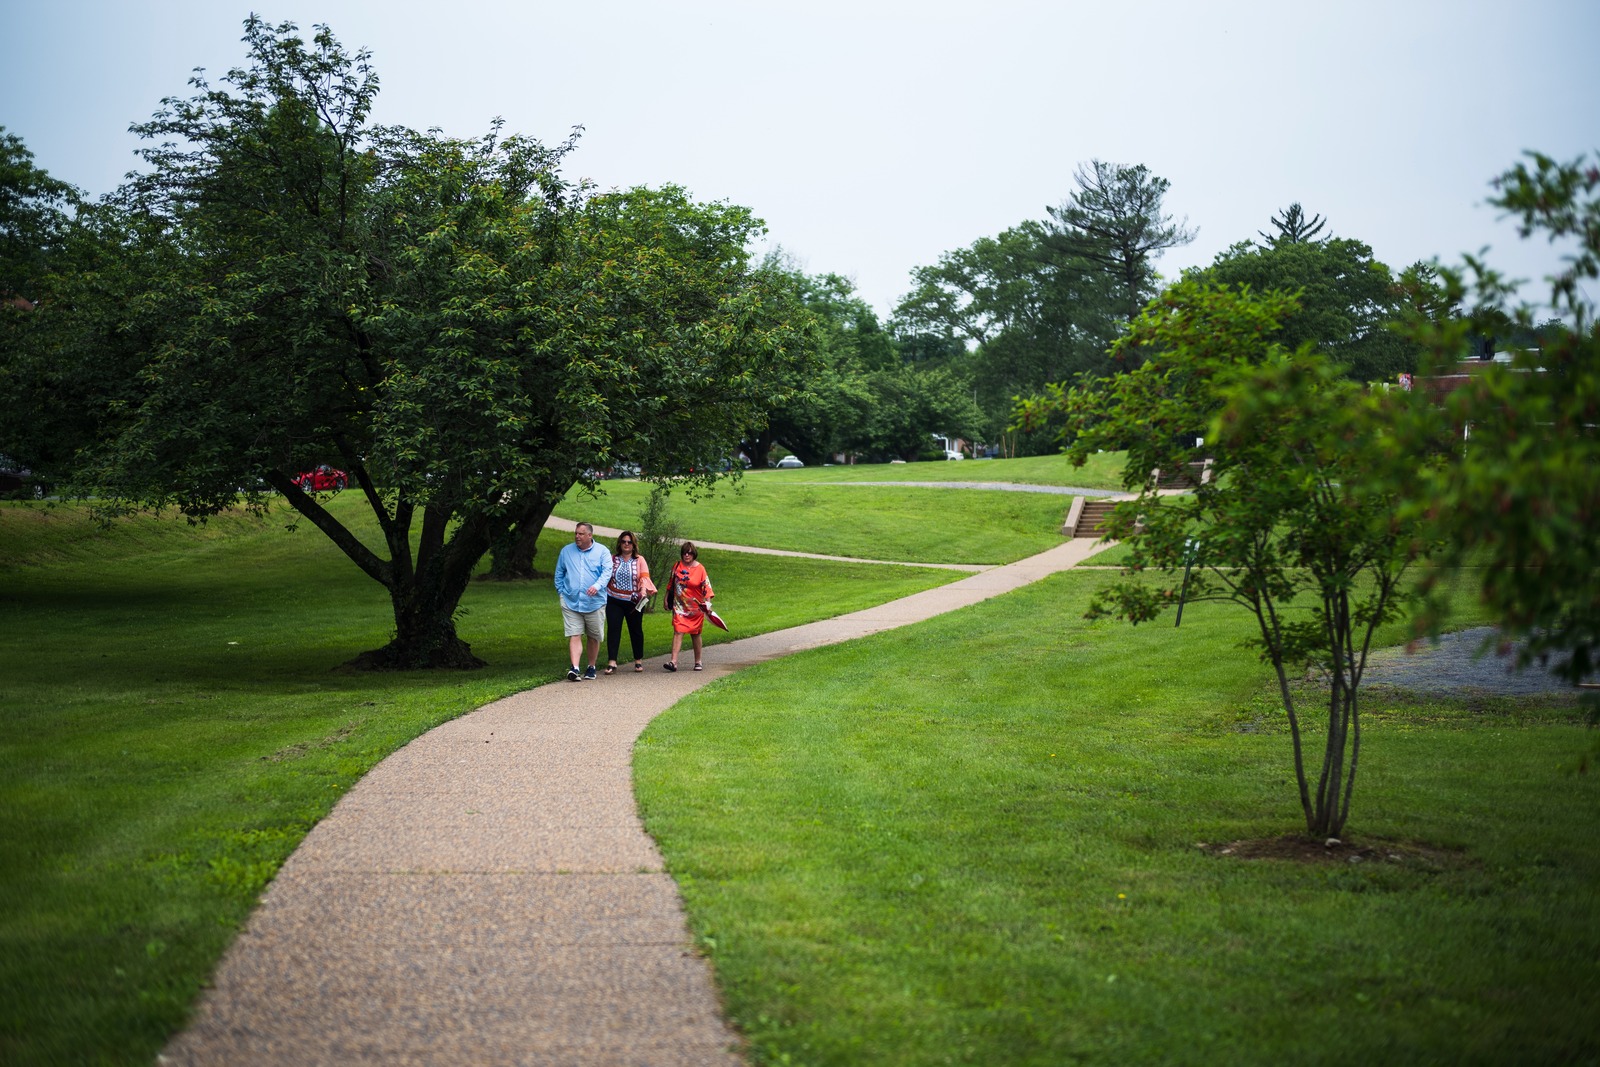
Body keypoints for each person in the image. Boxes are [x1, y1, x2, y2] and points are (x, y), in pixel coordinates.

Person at [553, 522, 612, 681]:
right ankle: (575, 668)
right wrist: (561, 592)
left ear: (589, 535)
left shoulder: (602, 552)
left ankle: (591, 667)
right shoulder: (566, 551)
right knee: (574, 634)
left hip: (594, 603)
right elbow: (559, 573)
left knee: (593, 636)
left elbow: (607, 573)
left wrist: (597, 586)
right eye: (576, 533)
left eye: (581, 534)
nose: (577, 536)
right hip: (571, 602)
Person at [603, 530, 653, 674]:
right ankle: (612, 661)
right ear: (620, 543)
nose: (626, 544)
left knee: (636, 630)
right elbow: (606, 576)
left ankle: (638, 660)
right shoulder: (612, 559)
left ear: (633, 544)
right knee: (613, 629)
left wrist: (643, 592)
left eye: (629, 542)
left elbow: (644, 577)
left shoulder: (639, 560)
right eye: (624, 541)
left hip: (634, 602)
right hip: (614, 600)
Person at [664, 541, 713, 672]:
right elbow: (671, 583)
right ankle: (673, 662)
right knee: (678, 631)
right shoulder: (677, 566)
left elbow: (706, 587)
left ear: (694, 554)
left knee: (695, 634)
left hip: (695, 607)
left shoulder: (700, 569)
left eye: (690, 553)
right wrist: (666, 597)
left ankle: (698, 661)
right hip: (679, 606)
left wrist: (707, 604)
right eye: (685, 552)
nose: (687, 555)